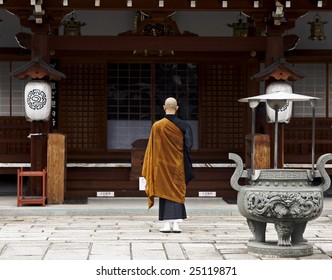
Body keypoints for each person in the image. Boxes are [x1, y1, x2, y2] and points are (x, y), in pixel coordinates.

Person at [142, 97, 194, 233]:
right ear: (177, 108)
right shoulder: (184, 126)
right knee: (177, 192)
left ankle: (166, 224)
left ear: (164, 107)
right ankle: (176, 224)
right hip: (178, 166)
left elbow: (152, 148)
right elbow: (188, 146)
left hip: (162, 166)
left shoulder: (157, 126)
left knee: (164, 192)